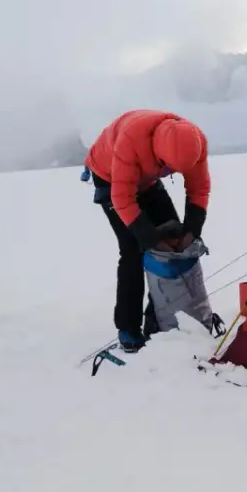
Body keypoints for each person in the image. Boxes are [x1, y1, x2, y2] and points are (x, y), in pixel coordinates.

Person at [84, 109, 211, 352]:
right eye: (168, 168)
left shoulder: (195, 142)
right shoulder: (131, 140)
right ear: (159, 155)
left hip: (146, 177)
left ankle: (160, 319)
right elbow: (123, 200)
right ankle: (128, 329)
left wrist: (191, 232)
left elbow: (199, 189)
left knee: (175, 242)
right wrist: (151, 240)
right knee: (133, 250)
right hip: (109, 176)